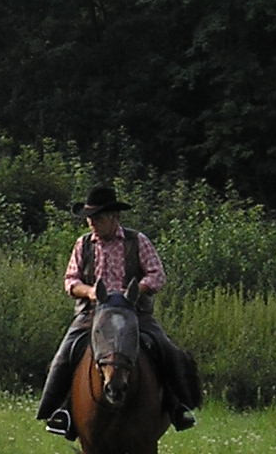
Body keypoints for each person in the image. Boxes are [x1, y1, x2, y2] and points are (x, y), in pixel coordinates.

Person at [36, 185, 199, 438]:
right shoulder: (84, 244)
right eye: (90, 219)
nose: (93, 224)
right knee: (65, 354)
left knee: (167, 350)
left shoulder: (137, 241)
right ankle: (59, 411)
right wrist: (89, 291)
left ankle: (179, 407)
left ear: (114, 218)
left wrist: (137, 290)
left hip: (134, 314)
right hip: (92, 314)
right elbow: (70, 280)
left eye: (98, 218)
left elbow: (157, 275)